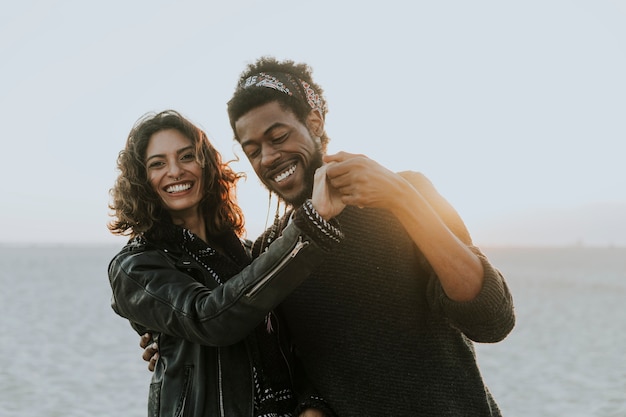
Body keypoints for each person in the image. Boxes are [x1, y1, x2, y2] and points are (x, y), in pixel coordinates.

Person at [144, 58, 516, 416]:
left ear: (315, 121)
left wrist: (403, 200)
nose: (269, 157)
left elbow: (491, 319)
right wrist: (173, 346)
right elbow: (280, 357)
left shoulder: (405, 193)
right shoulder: (271, 251)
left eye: (279, 136)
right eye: (253, 150)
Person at [108, 109, 346, 417]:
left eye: (187, 156)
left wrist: (312, 405)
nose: (175, 171)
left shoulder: (248, 254)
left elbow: (293, 339)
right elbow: (210, 318)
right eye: (158, 163)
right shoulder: (134, 266)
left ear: (205, 165)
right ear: (142, 179)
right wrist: (309, 227)